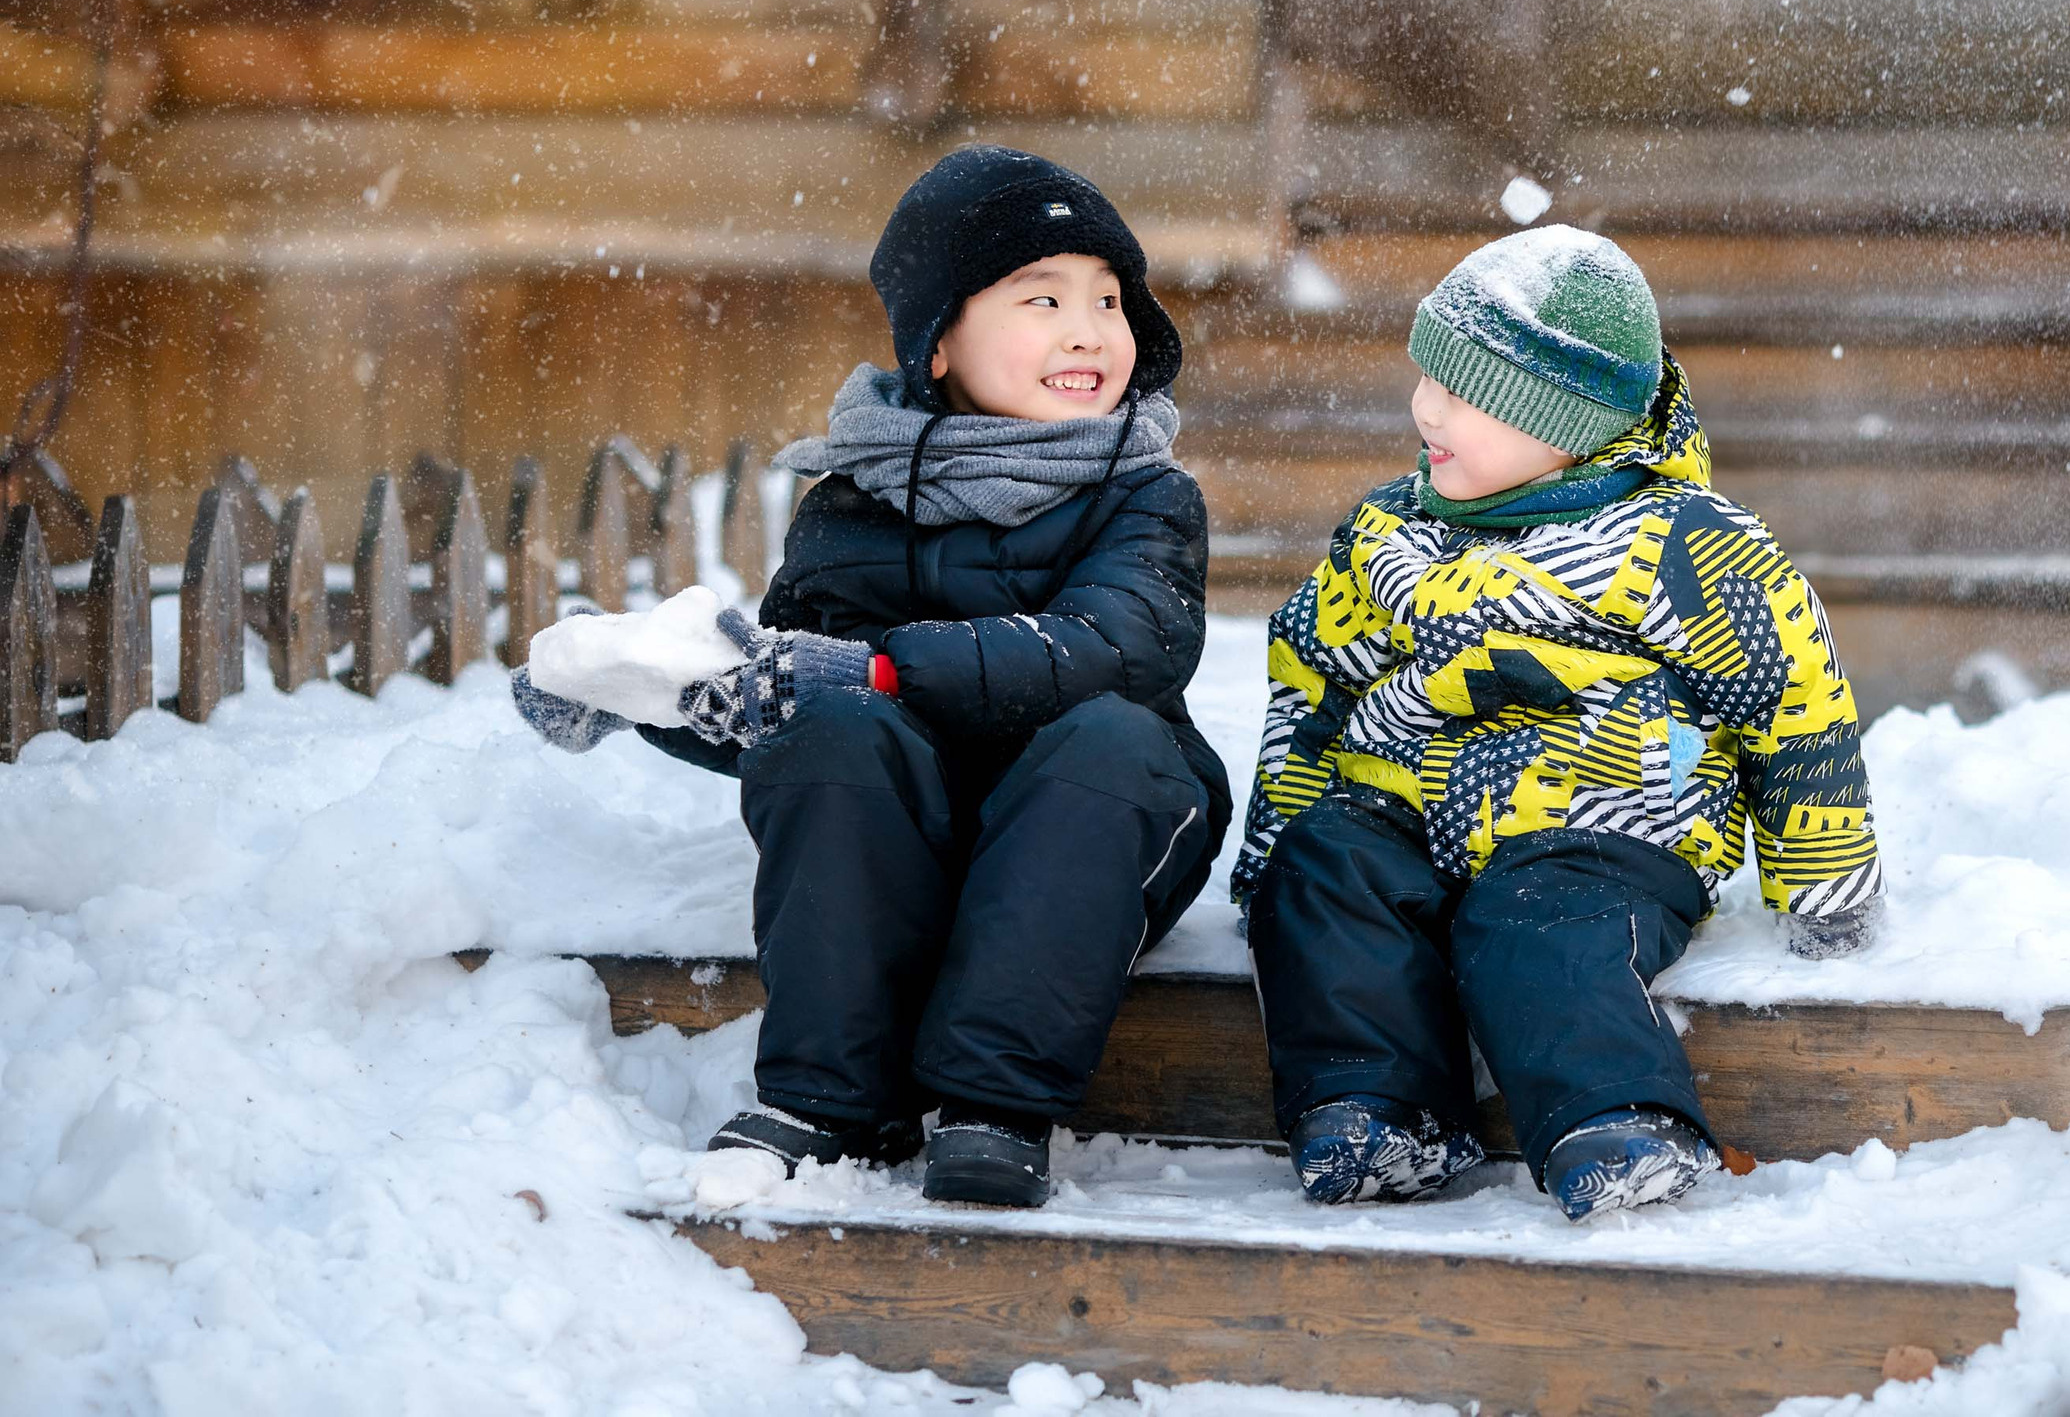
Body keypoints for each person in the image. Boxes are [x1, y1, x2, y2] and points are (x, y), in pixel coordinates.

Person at [513, 146, 1229, 1208]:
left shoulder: (1146, 496)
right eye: (1043, 299)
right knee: (835, 733)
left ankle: (993, 1103)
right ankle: (829, 1100)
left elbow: (1119, 647)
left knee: (1110, 738)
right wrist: (652, 693)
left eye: (1109, 300)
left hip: (1093, 831)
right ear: (938, 341)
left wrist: (886, 667)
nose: (1088, 330)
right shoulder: (853, 503)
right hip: (911, 843)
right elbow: (792, 701)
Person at [1237, 225, 1883, 1222]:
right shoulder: (1390, 532)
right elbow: (1313, 683)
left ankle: (1615, 1116)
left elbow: (1793, 707)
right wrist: (1276, 844)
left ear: (1565, 422)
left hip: (1605, 815)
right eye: (1426, 376)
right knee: (1325, 874)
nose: (1425, 409)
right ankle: (1380, 1110)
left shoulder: (1681, 544)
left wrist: (1826, 889)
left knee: (1535, 921)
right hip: (1405, 805)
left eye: (1465, 394)